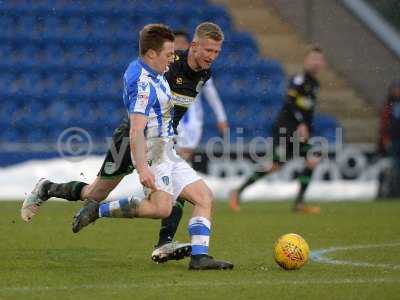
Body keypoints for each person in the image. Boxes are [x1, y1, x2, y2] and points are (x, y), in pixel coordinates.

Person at [21, 23, 233, 270]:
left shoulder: (204, 74)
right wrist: (143, 163)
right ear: (193, 46)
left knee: (190, 195)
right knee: (96, 193)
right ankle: (48, 188)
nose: (211, 56)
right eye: (208, 50)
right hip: (136, 139)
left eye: (216, 52)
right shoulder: (168, 65)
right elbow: (140, 105)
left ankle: (185, 251)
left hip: (162, 143)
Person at [229, 47, 326, 213]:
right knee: (275, 165)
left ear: (322, 64)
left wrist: (307, 127)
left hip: (299, 132)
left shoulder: (315, 84)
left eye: (319, 60)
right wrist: (301, 123)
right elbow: (290, 103)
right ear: (306, 61)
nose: (316, 63)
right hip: (286, 130)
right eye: (313, 59)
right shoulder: (299, 80)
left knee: (307, 159)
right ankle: (238, 191)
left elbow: (308, 110)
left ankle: (298, 203)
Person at [173, 30, 229, 161]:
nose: (180, 46)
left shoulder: (201, 68)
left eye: (183, 42)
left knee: (184, 154)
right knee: (170, 155)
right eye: (176, 43)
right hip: (168, 115)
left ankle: (178, 178)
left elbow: (212, 95)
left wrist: (221, 118)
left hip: (192, 118)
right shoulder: (165, 67)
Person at [378, 80, 400, 197]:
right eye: (395, 89)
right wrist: (385, 139)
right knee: (394, 167)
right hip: (394, 141)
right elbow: (384, 125)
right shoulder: (388, 105)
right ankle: (393, 191)